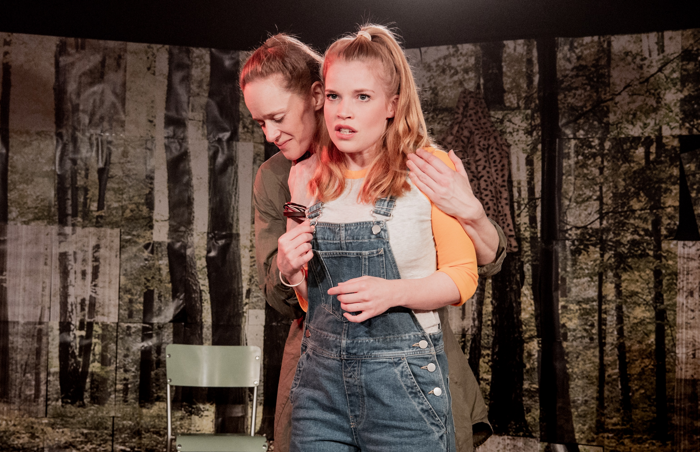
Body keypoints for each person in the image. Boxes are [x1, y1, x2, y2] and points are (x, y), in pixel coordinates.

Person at [242, 34, 506, 452]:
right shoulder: (283, 177)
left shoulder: (416, 164)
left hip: (406, 372)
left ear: (312, 98)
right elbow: (293, 297)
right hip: (320, 374)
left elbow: (474, 267)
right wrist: (295, 232)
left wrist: (471, 212)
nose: (271, 133)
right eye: (260, 123)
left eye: (278, 117)